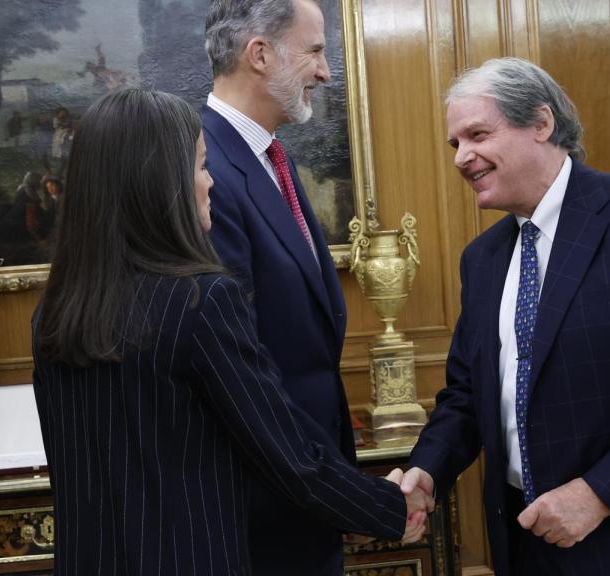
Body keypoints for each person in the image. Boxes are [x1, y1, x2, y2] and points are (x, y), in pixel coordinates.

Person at [31, 88, 428, 575]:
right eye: (201, 166)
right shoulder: (201, 301)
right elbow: (284, 454)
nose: (211, 183)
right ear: (160, 184)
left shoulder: (54, 312)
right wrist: (387, 508)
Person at [398, 58, 610, 575]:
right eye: (455, 143)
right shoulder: (483, 258)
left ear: (541, 123)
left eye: (477, 135)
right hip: (529, 545)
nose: (461, 157)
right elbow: (468, 395)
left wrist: (598, 494)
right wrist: (427, 470)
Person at [202, 2, 362, 573]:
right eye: (314, 50)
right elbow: (238, 362)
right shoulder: (207, 170)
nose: (325, 71)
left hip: (301, 489)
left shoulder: (268, 155)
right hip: (262, 503)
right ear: (260, 54)